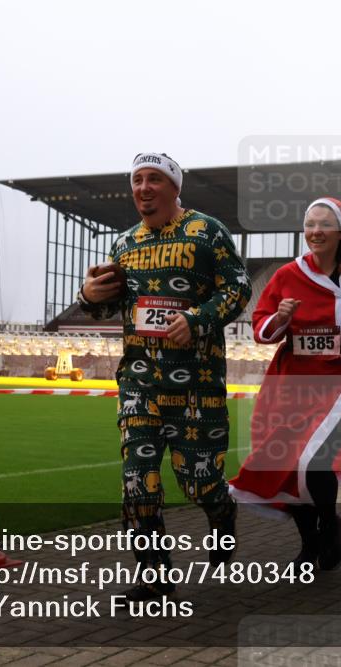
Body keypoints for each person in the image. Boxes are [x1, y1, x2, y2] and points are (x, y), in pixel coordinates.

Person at [78, 152, 251, 600]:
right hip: (138, 382)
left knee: (198, 482)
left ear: (175, 187)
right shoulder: (123, 244)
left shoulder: (207, 232)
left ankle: (222, 510)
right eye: (137, 179)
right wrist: (88, 294)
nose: (144, 187)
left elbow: (238, 288)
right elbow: (107, 306)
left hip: (196, 383)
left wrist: (198, 320)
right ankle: (153, 575)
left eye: (155, 178)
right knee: (137, 479)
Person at [229, 197, 341, 570]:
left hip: (338, 382)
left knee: (315, 461)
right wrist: (280, 317)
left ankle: (328, 523)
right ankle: (310, 543)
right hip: (291, 382)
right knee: (283, 462)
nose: (315, 231)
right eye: (309, 224)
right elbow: (261, 326)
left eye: (324, 224)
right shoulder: (286, 275)